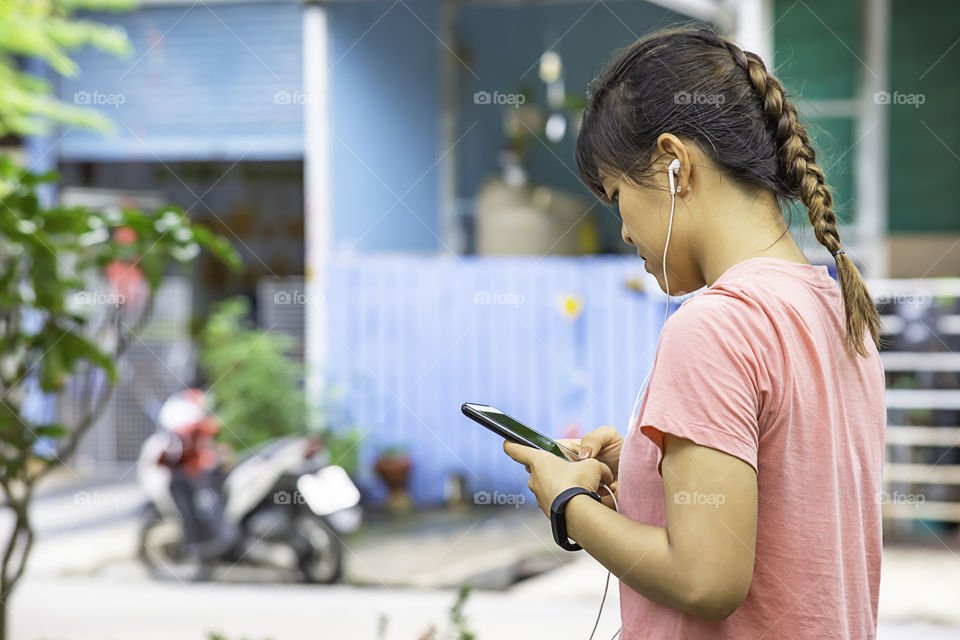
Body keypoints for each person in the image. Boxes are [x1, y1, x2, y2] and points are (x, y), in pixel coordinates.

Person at [502, 26, 885, 639]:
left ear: (675, 164)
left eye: (616, 194)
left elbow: (707, 580)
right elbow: (787, 509)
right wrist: (648, 474)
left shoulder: (716, 325)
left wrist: (566, 504)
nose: (624, 232)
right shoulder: (841, 311)